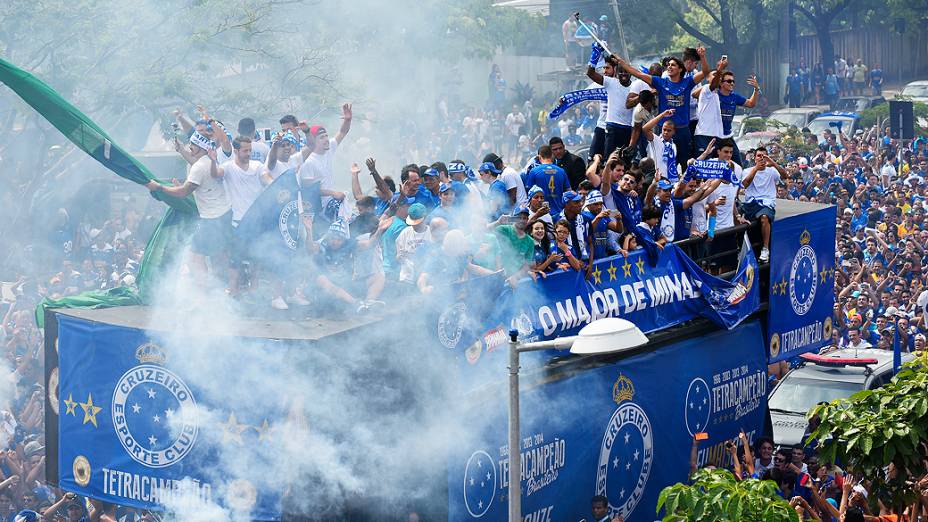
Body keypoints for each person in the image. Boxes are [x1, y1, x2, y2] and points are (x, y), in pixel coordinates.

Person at [145, 131, 233, 281]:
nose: (190, 147)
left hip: (212, 218)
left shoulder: (199, 167)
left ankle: (203, 291)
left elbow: (182, 192)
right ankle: (226, 287)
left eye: (193, 144)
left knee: (195, 257)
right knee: (220, 254)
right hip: (225, 213)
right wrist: (181, 150)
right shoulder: (209, 161)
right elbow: (196, 166)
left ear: (201, 146)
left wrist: (159, 187)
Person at [614, 47, 710, 168]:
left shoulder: (688, 82)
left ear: (680, 69)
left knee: (686, 165)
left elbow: (705, 72)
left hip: (683, 131)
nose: (669, 67)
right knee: (662, 164)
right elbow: (637, 73)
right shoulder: (660, 82)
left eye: (673, 65)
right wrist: (621, 62)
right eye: (668, 65)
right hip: (664, 131)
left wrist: (702, 56)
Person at [302, 216, 387, 314]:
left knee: (378, 277)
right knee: (321, 279)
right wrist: (309, 231)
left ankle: (368, 303)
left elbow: (369, 244)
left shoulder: (349, 244)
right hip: (327, 290)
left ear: (344, 239)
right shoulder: (323, 244)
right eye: (332, 238)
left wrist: (380, 230)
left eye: (339, 239)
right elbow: (310, 249)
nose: (335, 242)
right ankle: (356, 304)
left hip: (346, 284)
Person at [299, 103, 353, 219]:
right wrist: (333, 193)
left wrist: (348, 120)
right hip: (317, 209)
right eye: (321, 138)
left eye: (326, 136)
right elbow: (309, 189)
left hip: (330, 202)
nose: (326, 140)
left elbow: (342, 132)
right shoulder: (308, 162)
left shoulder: (328, 149)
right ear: (314, 141)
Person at [739, 145, 788, 262]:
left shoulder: (771, 171)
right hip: (751, 203)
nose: (761, 158)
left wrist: (773, 163)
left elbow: (785, 176)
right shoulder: (746, 171)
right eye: (759, 156)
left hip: (766, 203)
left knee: (764, 217)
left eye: (763, 156)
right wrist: (755, 169)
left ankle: (765, 249)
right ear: (754, 158)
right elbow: (744, 184)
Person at [585, 49, 635, 161]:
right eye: (621, 72)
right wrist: (595, 54)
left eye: (626, 71)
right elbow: (590, 74)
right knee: (606, 160)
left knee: (623, 162)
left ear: (631, 72)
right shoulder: (609, 82)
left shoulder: (635, 86)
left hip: (627, 129)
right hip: (609, 127)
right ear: (618, 71)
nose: (623, 74)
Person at [523, 145, 571, 215]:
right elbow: (568, 191)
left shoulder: (534, 171)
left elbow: (529, 193)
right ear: (552, 156)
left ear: (539, 157)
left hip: (541, 214)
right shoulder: (561, 171)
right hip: (559, 213)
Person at [643, 109, 679, 181]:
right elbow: (645, 128)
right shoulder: (656, 139)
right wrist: (662, 115)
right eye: (664, 129)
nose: (665, 132)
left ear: (674, 132)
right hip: (654, 177)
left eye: (669, 130)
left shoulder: (673, 146)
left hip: (668, 180)